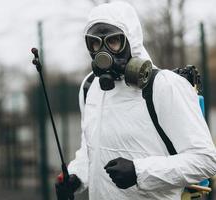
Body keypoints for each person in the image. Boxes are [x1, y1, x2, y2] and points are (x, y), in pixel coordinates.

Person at [55, 1, 216, 200]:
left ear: (132, 40)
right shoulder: (90, 87)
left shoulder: (164, 86)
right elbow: (92, 147)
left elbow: (205, 160)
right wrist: (77, 176)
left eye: (113, 41)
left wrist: (139, 172)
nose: (102, 52)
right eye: (95, 43)